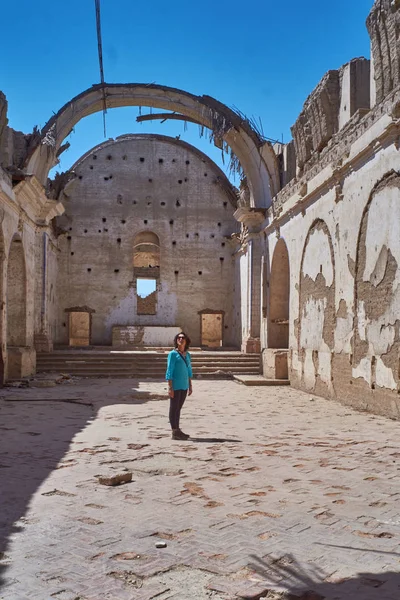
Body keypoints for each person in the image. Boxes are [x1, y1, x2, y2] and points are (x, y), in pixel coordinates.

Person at [165, 332, 193, 440]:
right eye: (179, 338)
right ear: (176, 340)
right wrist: (170, 387)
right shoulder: (172, 354)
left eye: (183, 338)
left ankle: (177, 430)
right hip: (175, 385)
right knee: (174, 408)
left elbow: (189, 370)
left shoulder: (188, 355)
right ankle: (174, 431)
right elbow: (169, 370)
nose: (180, 339)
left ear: (186, 341)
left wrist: (190, 385)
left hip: (184, 385)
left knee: (178, 408)